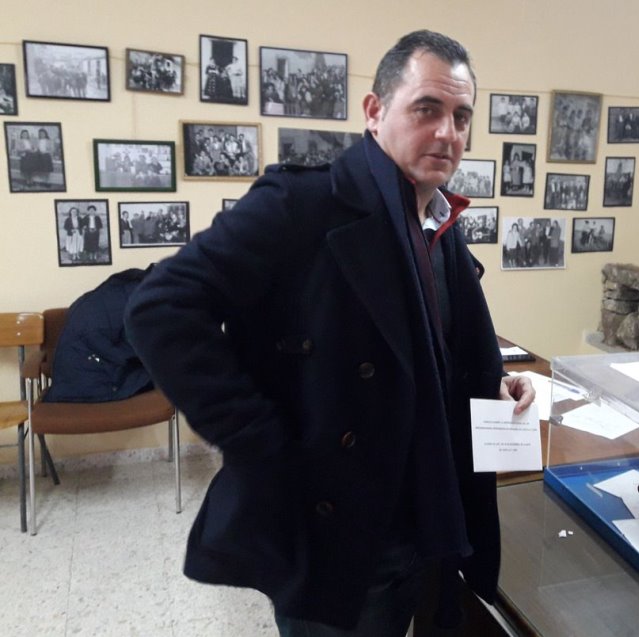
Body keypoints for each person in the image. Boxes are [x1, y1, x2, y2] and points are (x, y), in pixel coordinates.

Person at [124, 30, 535, 637]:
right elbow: (160, 307)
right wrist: (260, 441)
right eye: (427, 109)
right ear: (375, 112)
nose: (448, 132)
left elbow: (423, 350)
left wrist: (496, 380)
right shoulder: (304, 203)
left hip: (425, 509)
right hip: (340, 520)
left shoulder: (437, 217)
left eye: (461, 116)